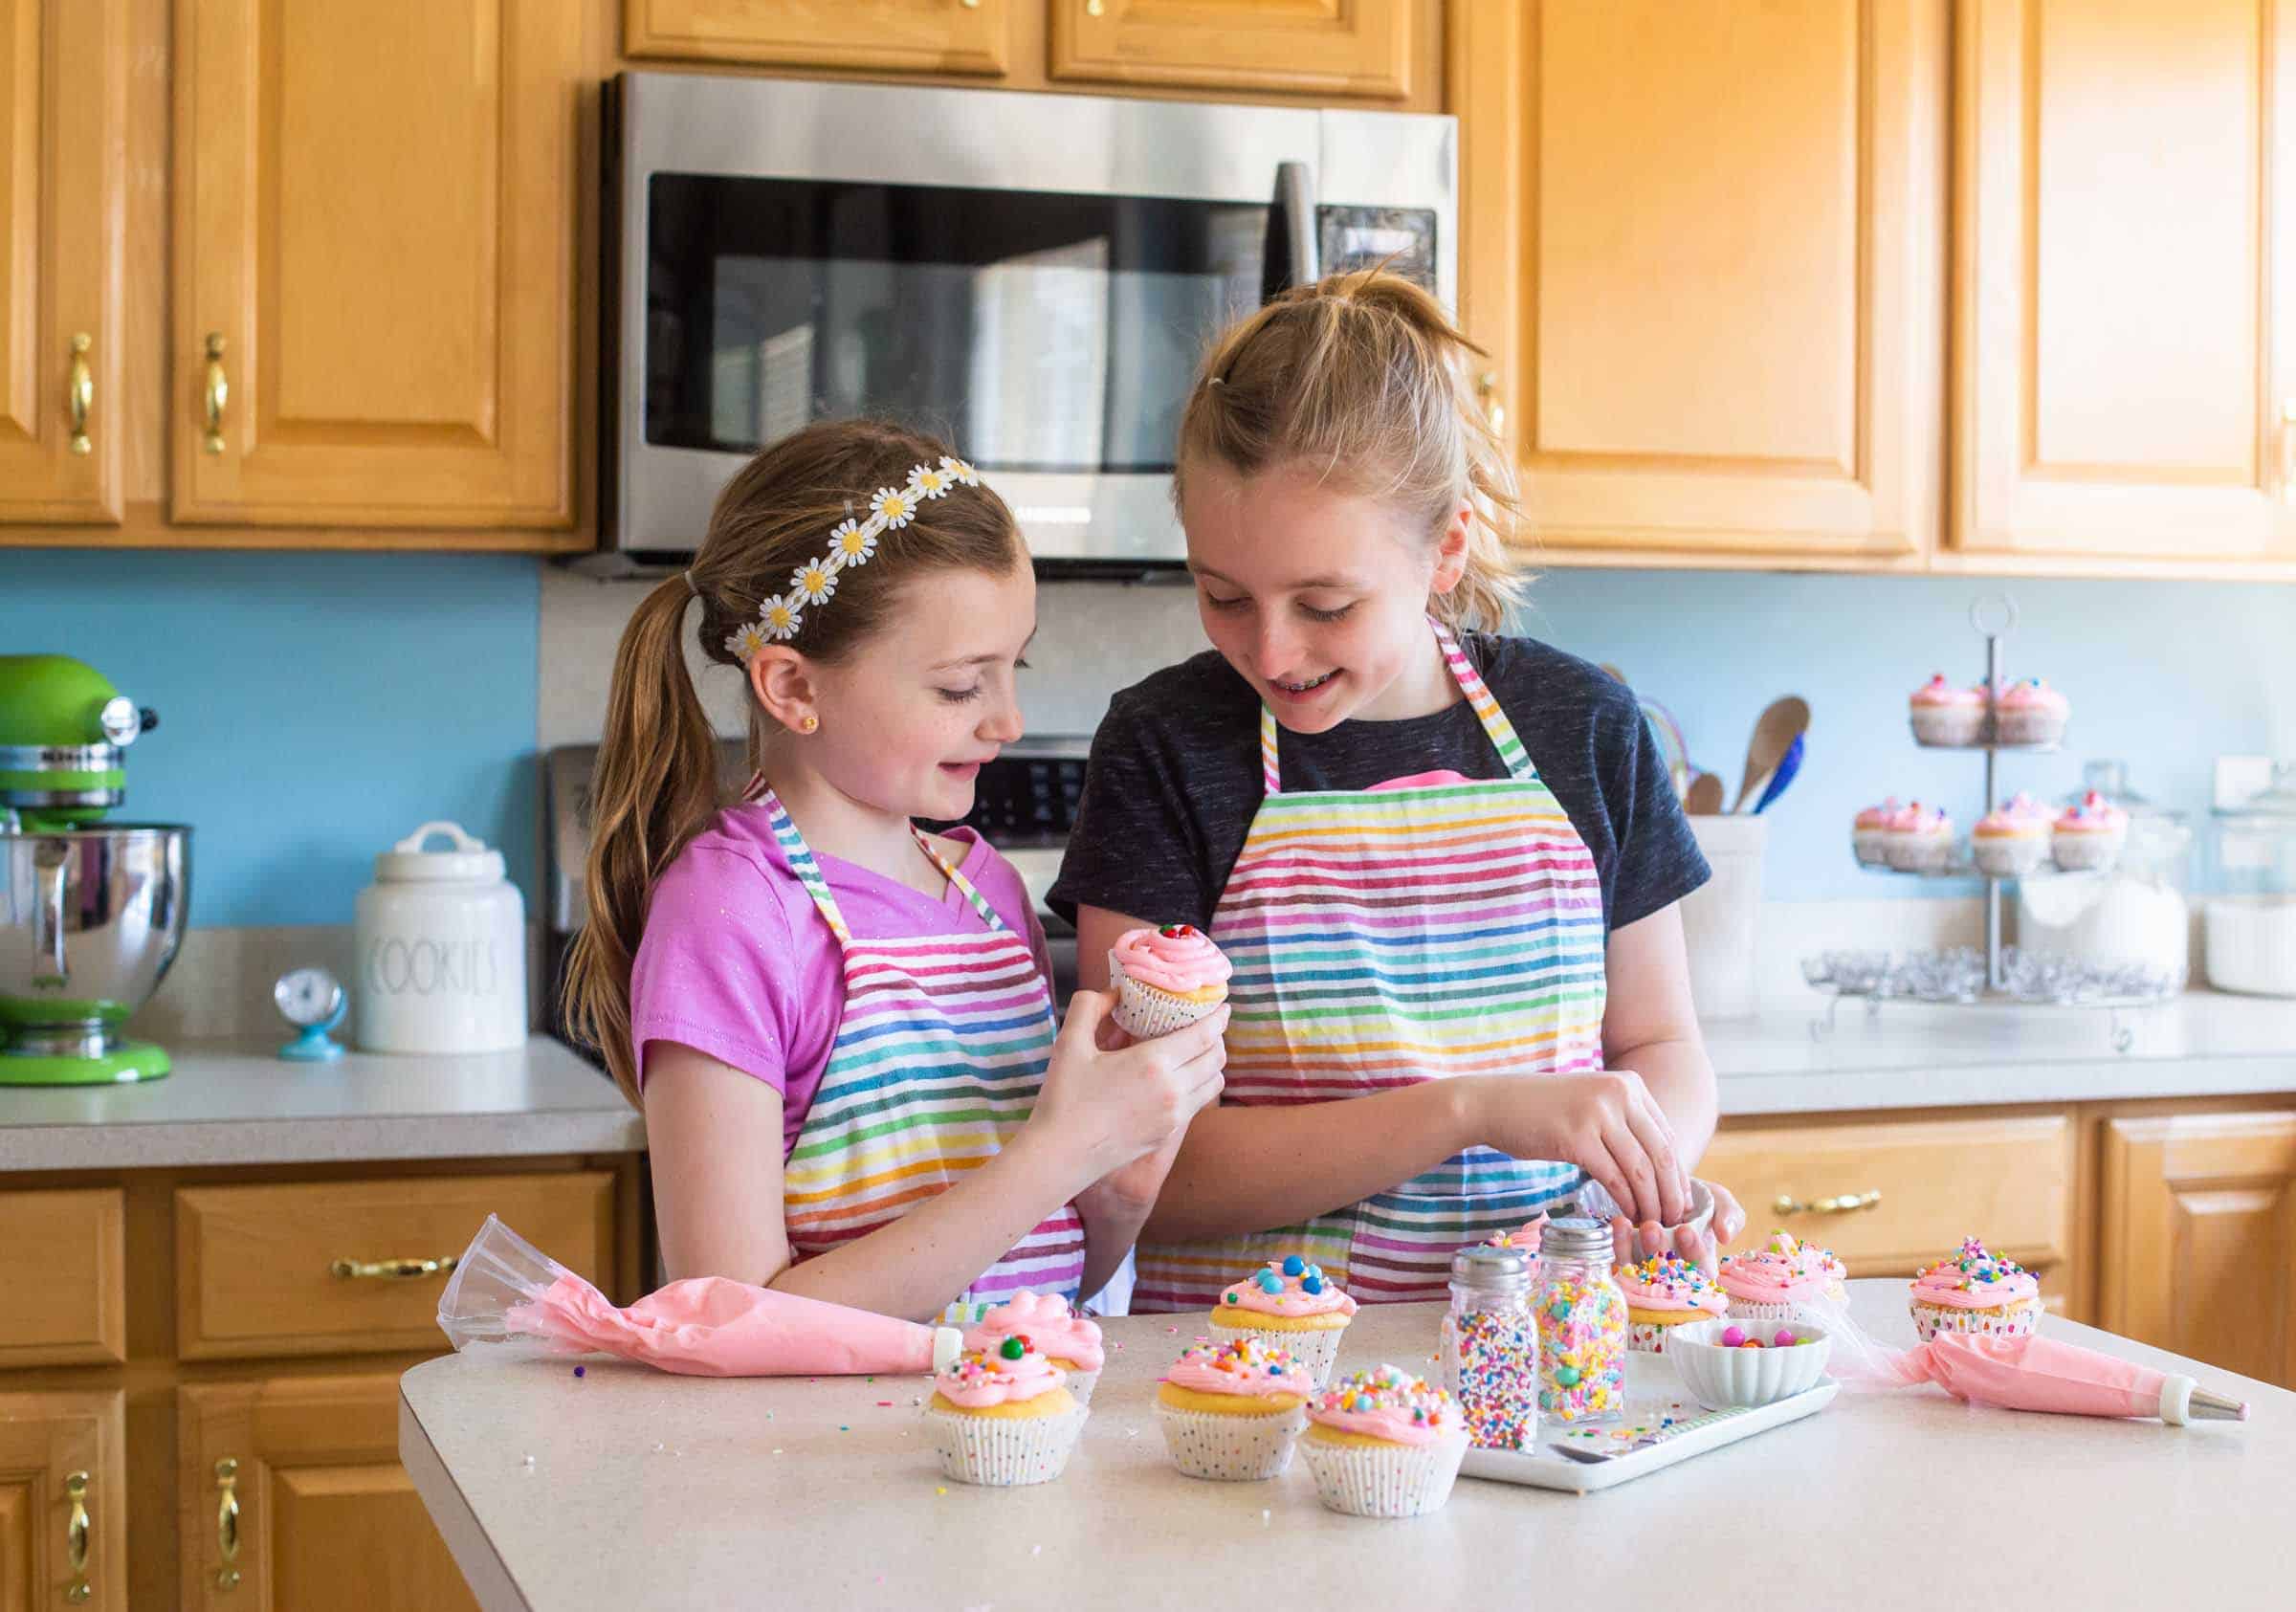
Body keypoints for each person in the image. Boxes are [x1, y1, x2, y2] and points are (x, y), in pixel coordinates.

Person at [1049, 271, 1745, 1309]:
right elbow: (1140, 1168)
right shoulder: (1167, 747)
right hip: (1250, 1382)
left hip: (1538, 1346)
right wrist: (1467, 1109)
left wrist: (1648, 1176)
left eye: (1325, 603)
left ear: (1446, 547)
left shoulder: (1586, 725)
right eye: (1223, 595)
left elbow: (1660, 1046)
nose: (1272, 649)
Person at [563, 421, 1226, 1323]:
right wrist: (1059, 1153)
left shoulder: (984, 888)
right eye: (961, 686)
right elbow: (727, 1317)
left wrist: (1117, 1190)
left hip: (1019, 1434)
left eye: (1012, 669)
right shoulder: (732, 912)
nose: (1009, 720)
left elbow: (1048, 1269)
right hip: (828, 1457)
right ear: (793, 687)